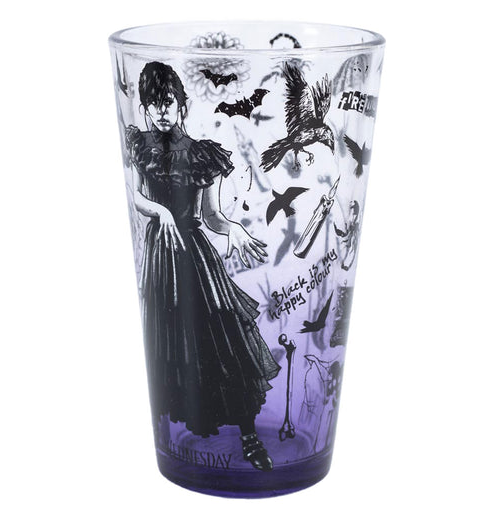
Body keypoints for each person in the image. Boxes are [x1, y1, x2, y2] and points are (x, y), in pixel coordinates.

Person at [125, 61, 280, 471]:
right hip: (160, 256)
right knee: (168, 339)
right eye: (153, 103)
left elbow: (212, 216)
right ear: (144, 107)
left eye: (168, 101)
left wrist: (235, 230)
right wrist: (160, 211)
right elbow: (136, 195)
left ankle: (249, 437)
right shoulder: (140, 145)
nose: (161, 110)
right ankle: (176, 444)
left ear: (183, 105)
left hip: (194, 256)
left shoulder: (201, 154)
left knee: (221, 339)